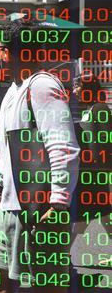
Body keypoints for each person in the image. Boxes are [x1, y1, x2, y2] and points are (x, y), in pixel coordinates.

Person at [0, 21, 80, 293]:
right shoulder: (15, 90)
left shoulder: (41, 86)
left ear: (11, 52)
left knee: (45, 287)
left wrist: (59, 202)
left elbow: (63, 146)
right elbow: (4, 152)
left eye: (0, 50)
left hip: (39, 209)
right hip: (9, 207)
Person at [71, 73, 112, 267]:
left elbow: (106, 142)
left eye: (77, 86)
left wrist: (103, 170)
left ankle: (60, 257)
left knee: (82, 216)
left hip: (97, 175)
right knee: (104, 216)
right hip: (93, 174)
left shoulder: (100, 108)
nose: (74, 91)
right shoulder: (91, 109)